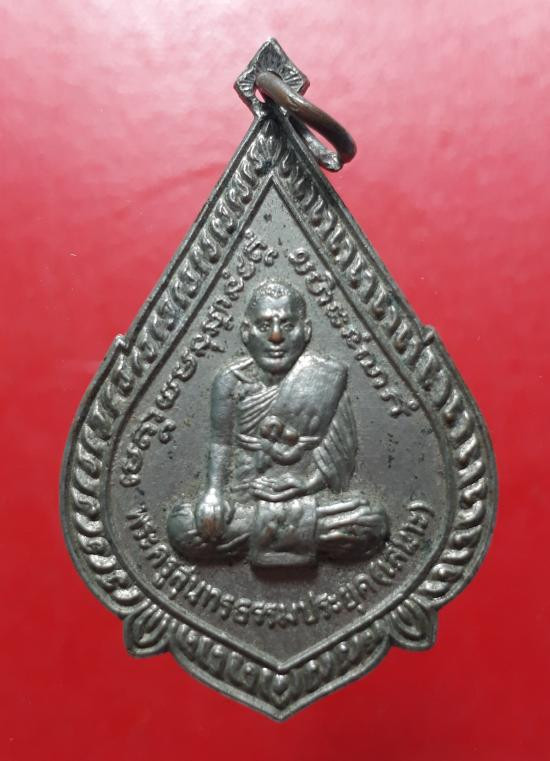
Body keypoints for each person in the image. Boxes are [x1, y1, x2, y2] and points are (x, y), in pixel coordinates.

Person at [167, 279, 388, 566]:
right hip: (247, 499)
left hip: (305, 497)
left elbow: (339, 458)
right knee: (182, 526)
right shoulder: (230, 381)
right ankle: (302, 533)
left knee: (372, 522)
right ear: (246, 332)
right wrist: (213, 493)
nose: (275, 336)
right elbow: (220, 442)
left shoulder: (325, 378)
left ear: (306, 331)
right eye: (264, 325)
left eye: (287, 325)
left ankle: (270, 532)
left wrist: (306, 484)